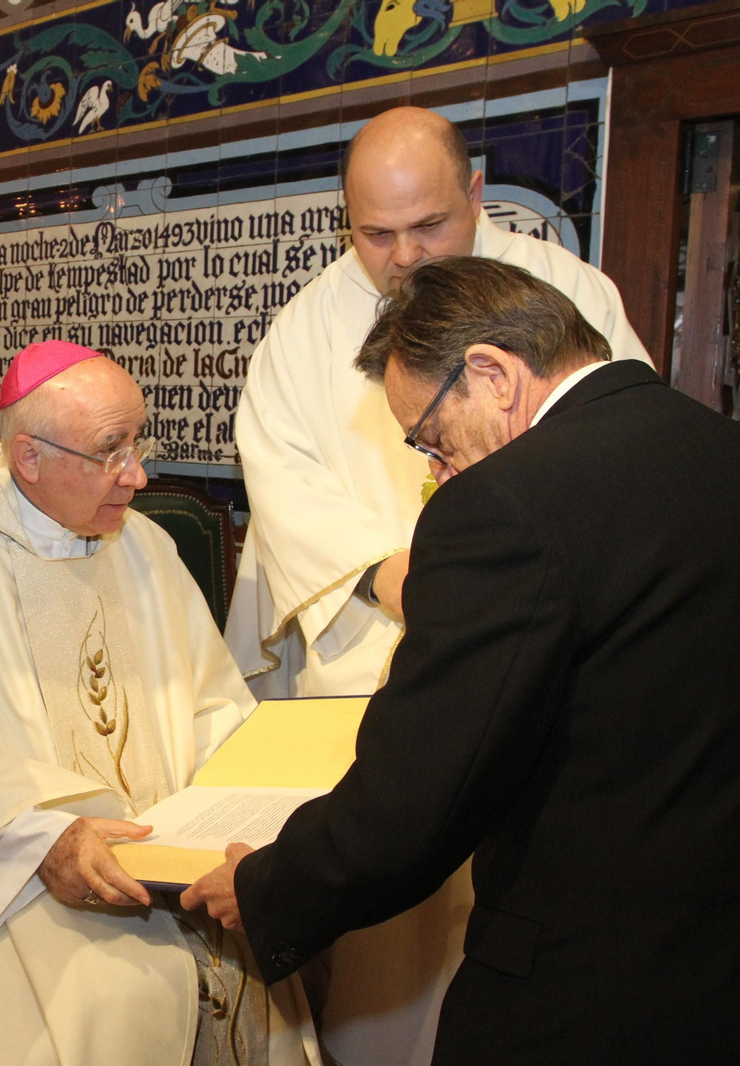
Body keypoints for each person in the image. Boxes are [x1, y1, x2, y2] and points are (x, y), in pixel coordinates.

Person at [188, 256, 740, 1064]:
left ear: (493, 375)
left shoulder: (505, 505)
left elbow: (417, 798)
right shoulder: (718, 448)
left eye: (433, 440)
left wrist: (266, 888)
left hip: (581, 991)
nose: (439, 473)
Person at [221, 105, 651, 1065]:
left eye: (429, 226)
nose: (404, 256)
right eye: (377, 234)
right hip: (376, 631)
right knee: (391, 938)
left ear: (476, 196)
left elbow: (618, 451)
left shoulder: (567, 289)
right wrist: (390, 577)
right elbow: (282, 481)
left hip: (546, 639)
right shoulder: (304, 329)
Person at [0, 341, 318, 1066]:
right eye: (110, 450)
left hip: (177, 863)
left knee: (254, 952)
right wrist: (40, 842)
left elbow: (212, 706)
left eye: (138, 443)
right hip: (7, 877)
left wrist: (245, 808)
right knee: (116, 996)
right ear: (28, 457)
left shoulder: (145, 547)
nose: (138, 474)